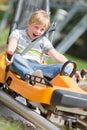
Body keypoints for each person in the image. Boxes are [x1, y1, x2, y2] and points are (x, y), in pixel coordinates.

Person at [5, 10, 84, 84]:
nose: (38, 32)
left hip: (38, 68)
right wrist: (10, 55)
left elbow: (57, 56)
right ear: (29, 23)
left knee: (67, 67)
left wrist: (74, 70)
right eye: (36, 27)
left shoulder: (44, 41)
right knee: (16, 57)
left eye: (42, 30)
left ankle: (73, 85)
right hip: (19, 63)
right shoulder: (17, 33)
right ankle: (31, 77)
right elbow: (12, 44)